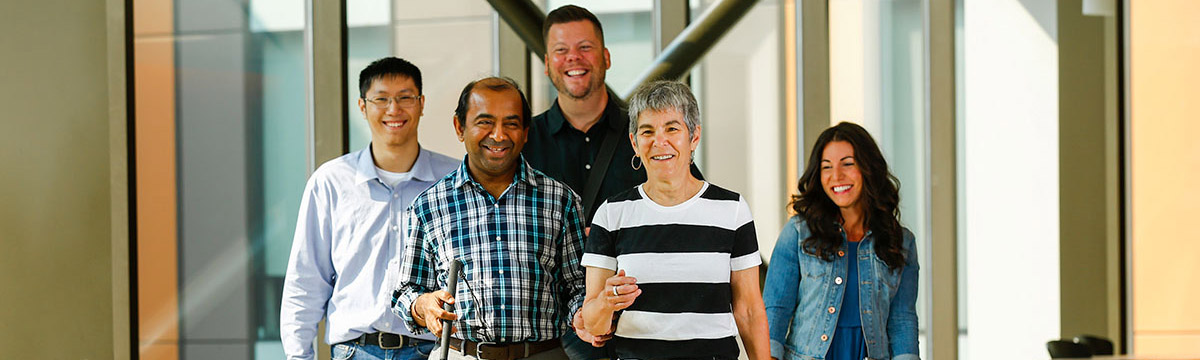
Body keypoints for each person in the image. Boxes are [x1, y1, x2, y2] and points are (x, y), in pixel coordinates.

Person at [392, 77, 586, 360]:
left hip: (543, 354)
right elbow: (405, 292)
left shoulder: (561, 201)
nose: (498, 135)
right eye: (485, 122)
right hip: (461, 353)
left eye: (511, 123)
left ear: (525, 132)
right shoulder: (428, 206)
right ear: (460, 127)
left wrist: (585, 313)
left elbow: (579, 286)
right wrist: (423, 305)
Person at [281, 57, 459, 360]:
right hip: (355, 351)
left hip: (432, 350)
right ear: (363, 106)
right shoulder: (331, 182)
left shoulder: (453, 181)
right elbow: (306, 280)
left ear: (421, 103)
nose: (394, 109)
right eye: (381, 99)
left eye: (405, 98)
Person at [578, 80, 771, 360]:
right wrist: (608, 302)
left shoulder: (732, 209)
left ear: (694, 137)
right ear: (634, 143)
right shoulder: (612, 214)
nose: (660, 142)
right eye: (647, 131)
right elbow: (593, 323)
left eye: (672, 128)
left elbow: (749, 310)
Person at [762, 122, 920, 360]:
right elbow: (775, 309)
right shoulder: (798, 233)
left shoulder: (900, 241)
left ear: (868, 168)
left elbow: (902, 319)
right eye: (827, 167)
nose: (836, 176)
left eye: (848, 164)